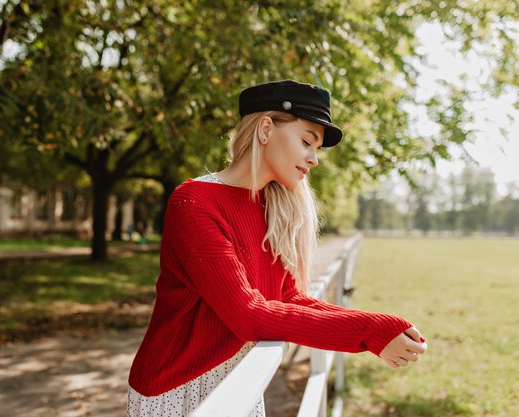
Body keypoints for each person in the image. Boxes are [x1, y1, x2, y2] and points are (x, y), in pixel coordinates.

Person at [126, 80, 427, 416]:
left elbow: (288, 297)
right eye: (307, 142)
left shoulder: (270, 207)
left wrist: (378, 326)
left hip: (240, 379)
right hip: (177, 388)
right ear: (266, 129)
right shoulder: (194, 202)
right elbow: (248, 315)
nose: (314, 159)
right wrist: (367, 332)